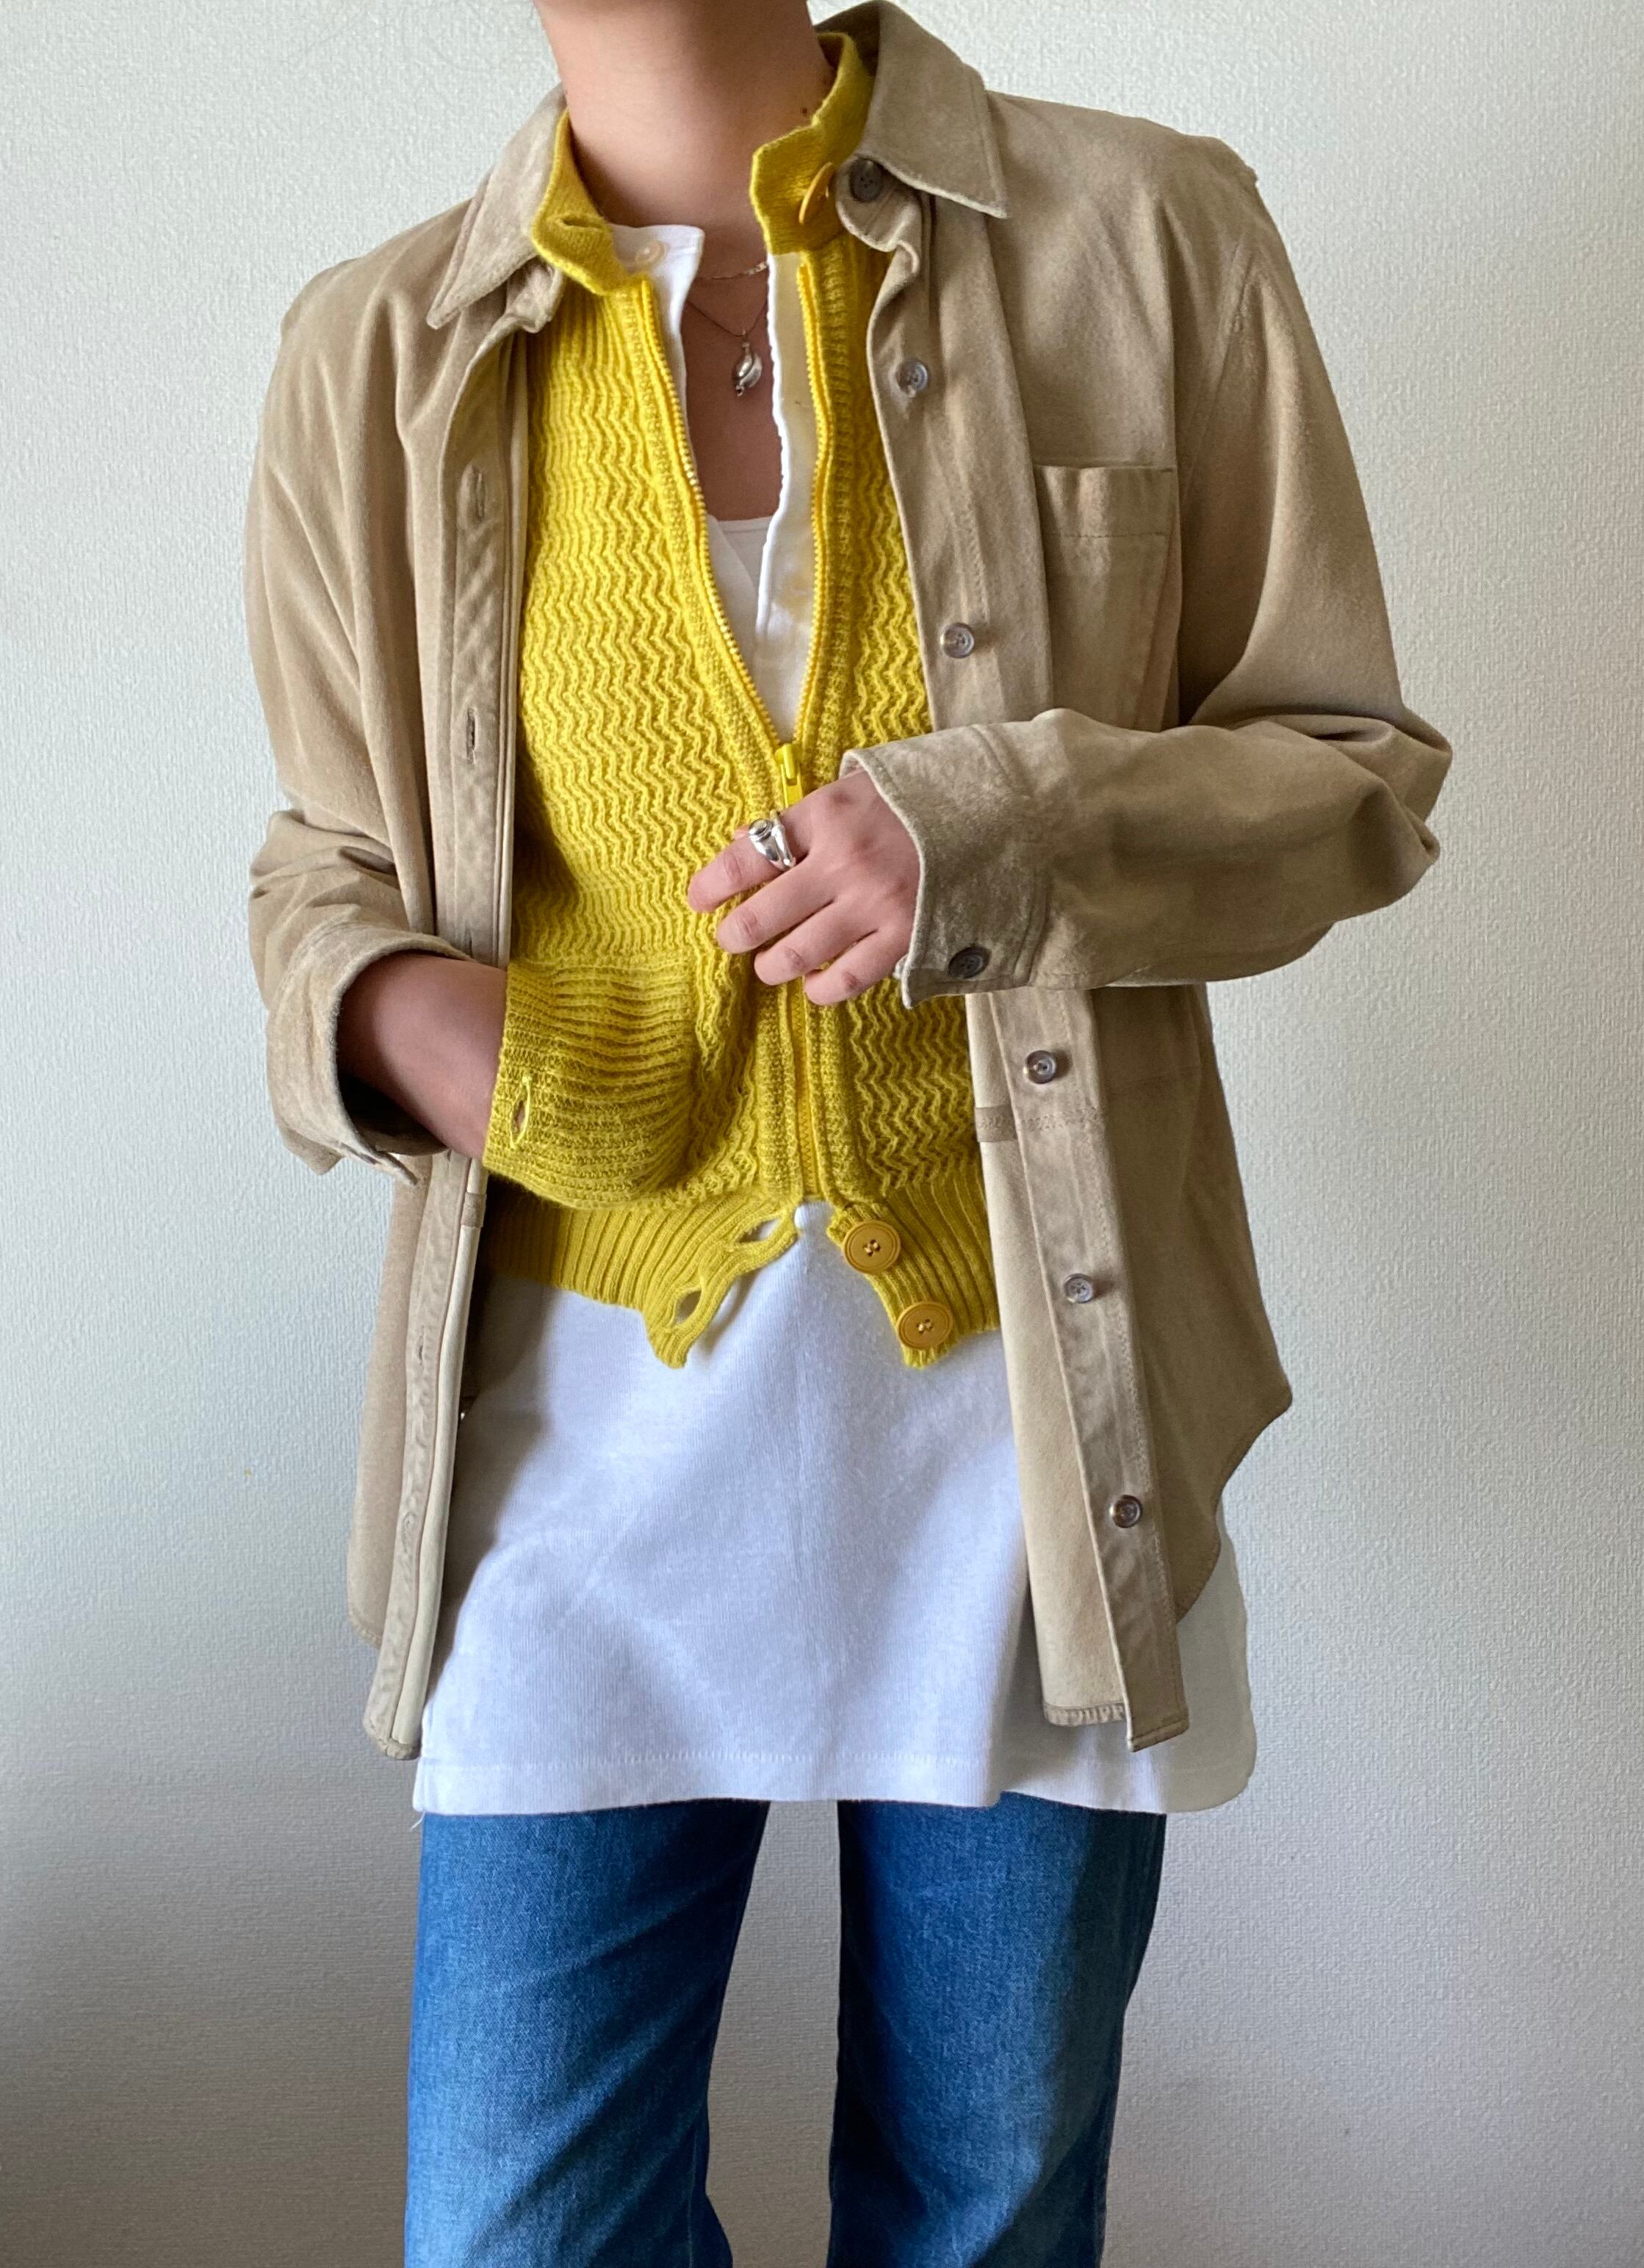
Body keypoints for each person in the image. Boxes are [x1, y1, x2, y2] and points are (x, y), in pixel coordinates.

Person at [242, 1, 1451, 2258]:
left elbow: (1348, 773)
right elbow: (325, 862)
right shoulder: (377, 351)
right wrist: (406, 1019)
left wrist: (999, 825)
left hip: (1031, 1441)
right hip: (570, 1453)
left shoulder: (1143, 235)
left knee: (983, 2217)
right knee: (522, 2230)